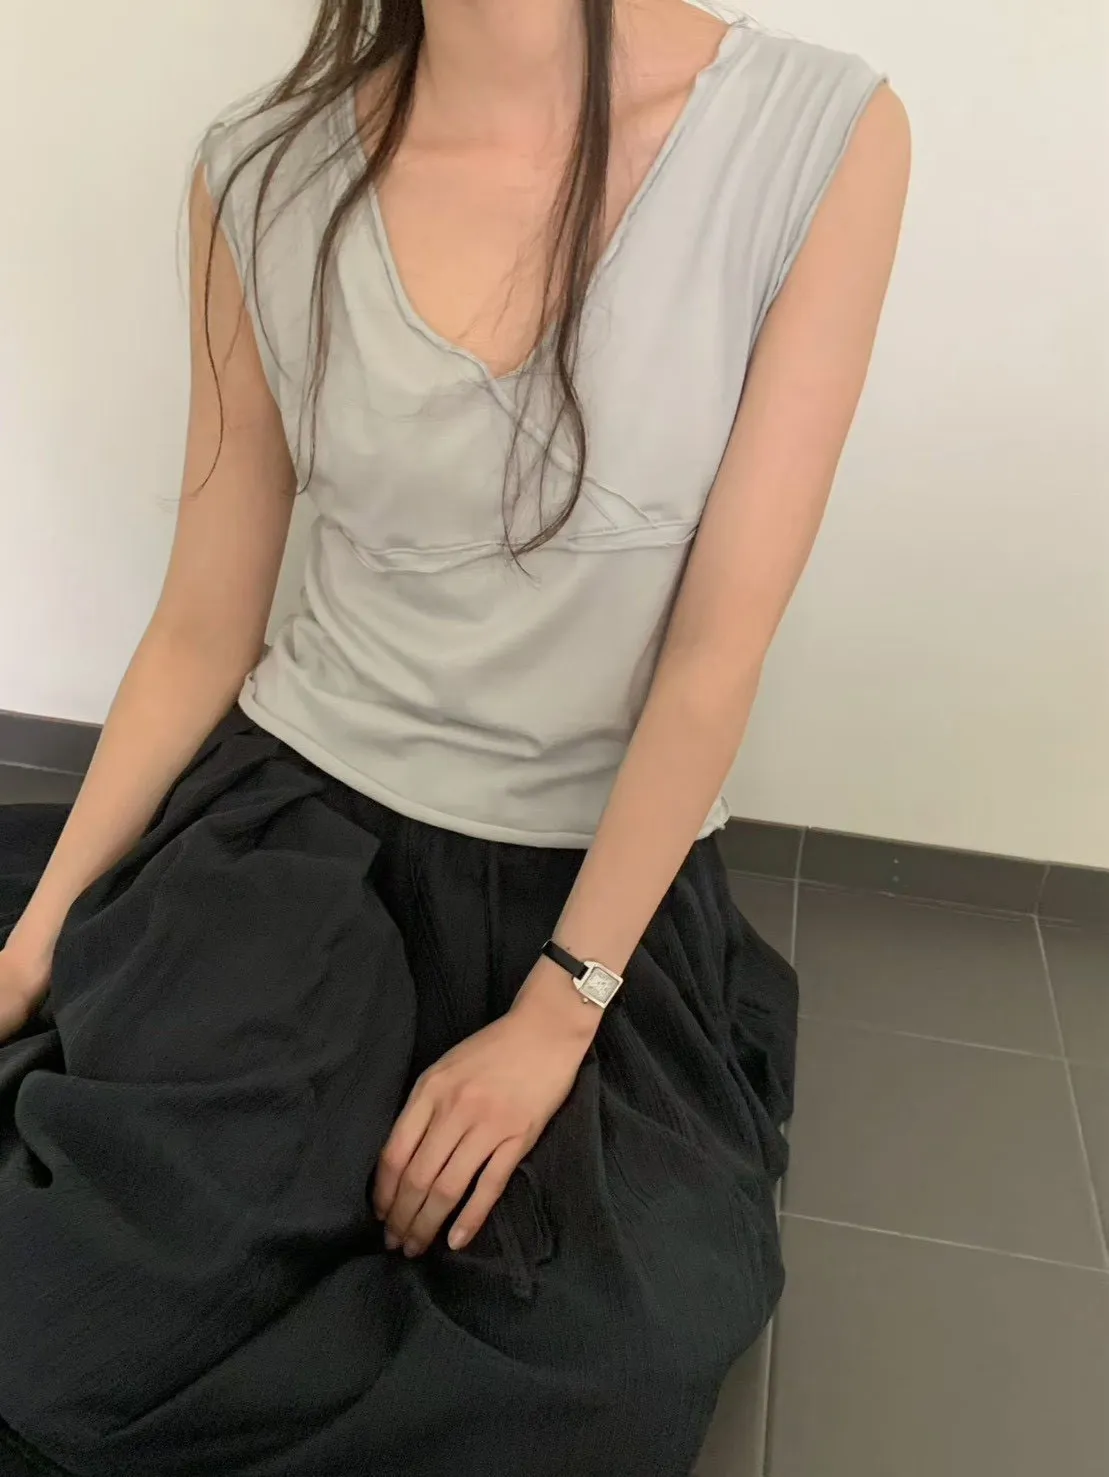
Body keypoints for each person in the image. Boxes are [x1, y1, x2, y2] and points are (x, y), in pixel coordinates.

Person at [0, 2, 909, 1473]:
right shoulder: (261, 172)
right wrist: (41, 937)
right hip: (302, 833)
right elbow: (202, 625)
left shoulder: (815, 135)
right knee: (87, 1308)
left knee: (608, 1362)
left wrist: (560, 1012)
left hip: (593, 879)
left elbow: (713, 656)